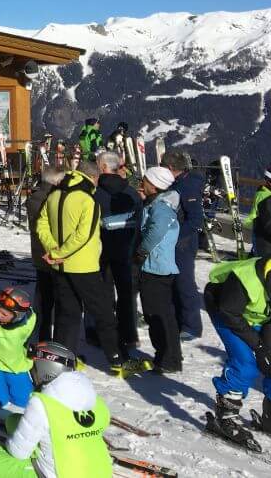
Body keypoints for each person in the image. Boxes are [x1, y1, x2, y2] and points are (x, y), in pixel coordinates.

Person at [0, 341, 112, 478]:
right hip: (102, 472)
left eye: (34, 368)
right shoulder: (96, 401)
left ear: (44, 369)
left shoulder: (42, 404)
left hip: (56, 474)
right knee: (13, 421)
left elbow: (18, 453)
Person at [35, 164, 128, 370]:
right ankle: (117, 359)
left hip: (60, 267)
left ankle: (63, 360)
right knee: (103, 312)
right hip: (83, 266)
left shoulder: (54, 194)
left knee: (67, 314)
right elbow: (83, 235)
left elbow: (41, 224)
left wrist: (53, 250)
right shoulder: (87, 199)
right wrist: (59, 253)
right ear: (93, 178)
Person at [205, 256, 271, 445]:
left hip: (258, 314)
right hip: (226, 310)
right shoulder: (247, 279)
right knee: (245, 364)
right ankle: (225, 417)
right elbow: (229, 313)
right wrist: (258, 347)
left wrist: (269, 350)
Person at [134, 165, 182, 373]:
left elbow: (156, 230)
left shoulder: (161, 207)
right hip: (158, 266)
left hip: (156, 268)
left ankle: (167, 359)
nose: (141, 182)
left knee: (157, 314)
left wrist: (141, 251)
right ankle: (169, 356)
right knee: (162, 314)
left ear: (154, 185)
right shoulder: (157, 203)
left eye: (145, 180)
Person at [94, 149, 141, 355]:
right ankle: (129, 335)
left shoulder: (96, 193)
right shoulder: (131, 192)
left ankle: (105, 334)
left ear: (104, 167)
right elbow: (140, 221)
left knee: (103, 295)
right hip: (127, 249)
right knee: (126, 294)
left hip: (102, 250)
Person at [162, 150, 205, 339]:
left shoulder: (187, 186)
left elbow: (195, 219)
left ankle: (192, 326)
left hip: (183, 242)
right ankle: (178, 320)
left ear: (171, 167)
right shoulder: (176, 183)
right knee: (172, 281)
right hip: (174, 240)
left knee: (184, 282)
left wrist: (175, 235)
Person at [27, 168, 61, 343]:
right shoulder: (44, 198)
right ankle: (43, 337)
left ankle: (42, 334)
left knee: (44, 297)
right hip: (47, 255)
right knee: (46, 300)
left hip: (43, 255)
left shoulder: (38, 196)